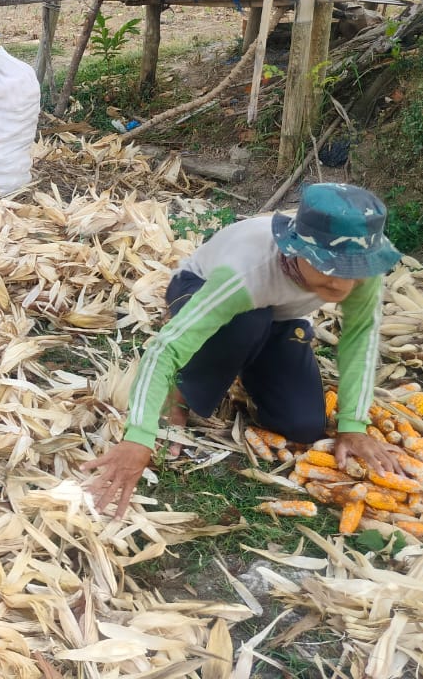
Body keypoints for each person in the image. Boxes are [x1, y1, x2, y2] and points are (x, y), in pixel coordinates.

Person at [83, 183, 405, 516]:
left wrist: (353, 425)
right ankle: (178, 395)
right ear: (296, 249)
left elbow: (360, 338)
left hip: (280, 314)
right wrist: (139, 436)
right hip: (201, 289)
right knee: (248, 322)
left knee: (304, 425)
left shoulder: (364, 267)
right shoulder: (245, 272)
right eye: (328, 266)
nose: (341, 284)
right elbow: (165, 349)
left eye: (353, 271)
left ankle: (247, 362)